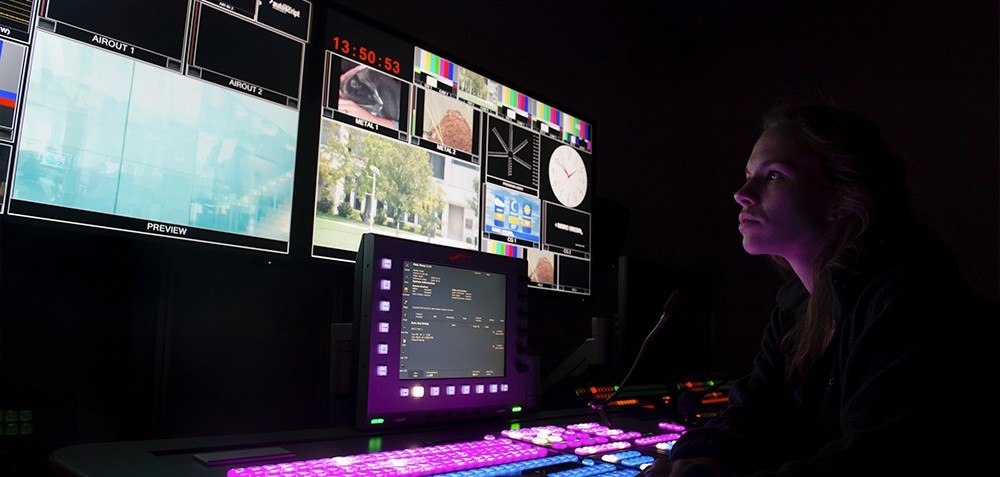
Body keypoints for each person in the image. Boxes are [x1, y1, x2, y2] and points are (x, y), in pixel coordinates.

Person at [641, 103, 998, 477]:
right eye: (748, 176)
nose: (742, 194)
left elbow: (875, 460)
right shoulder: (796, 305)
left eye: (774, 175)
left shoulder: (909, 300)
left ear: (843, 197)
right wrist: (699, 457)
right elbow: (754, 409)